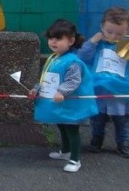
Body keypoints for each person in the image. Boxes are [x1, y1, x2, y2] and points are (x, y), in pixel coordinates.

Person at [77, 7, 129, 158]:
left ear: (127, 30)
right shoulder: (98, 44)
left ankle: (123, 143)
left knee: (122, 122)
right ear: (102, 27)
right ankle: (96, 140)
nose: (114, 37)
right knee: (97, 119)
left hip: (121, 92)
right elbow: (83, 57)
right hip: (99, 90)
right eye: (109, 32)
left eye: (119, 34)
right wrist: (91, 42)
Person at [29, 19, 97, 173]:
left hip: (69, 104)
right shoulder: (53, 58)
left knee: (71, 129)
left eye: (58, 39)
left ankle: (75, 159)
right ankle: (65, 151)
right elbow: (46, 78)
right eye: (51, 38)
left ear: (71, 41)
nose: (53, 42)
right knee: (61, 125)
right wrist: (36, 89)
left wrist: (62, 92)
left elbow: (73, 81)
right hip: (59, 102)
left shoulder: (73, 61)